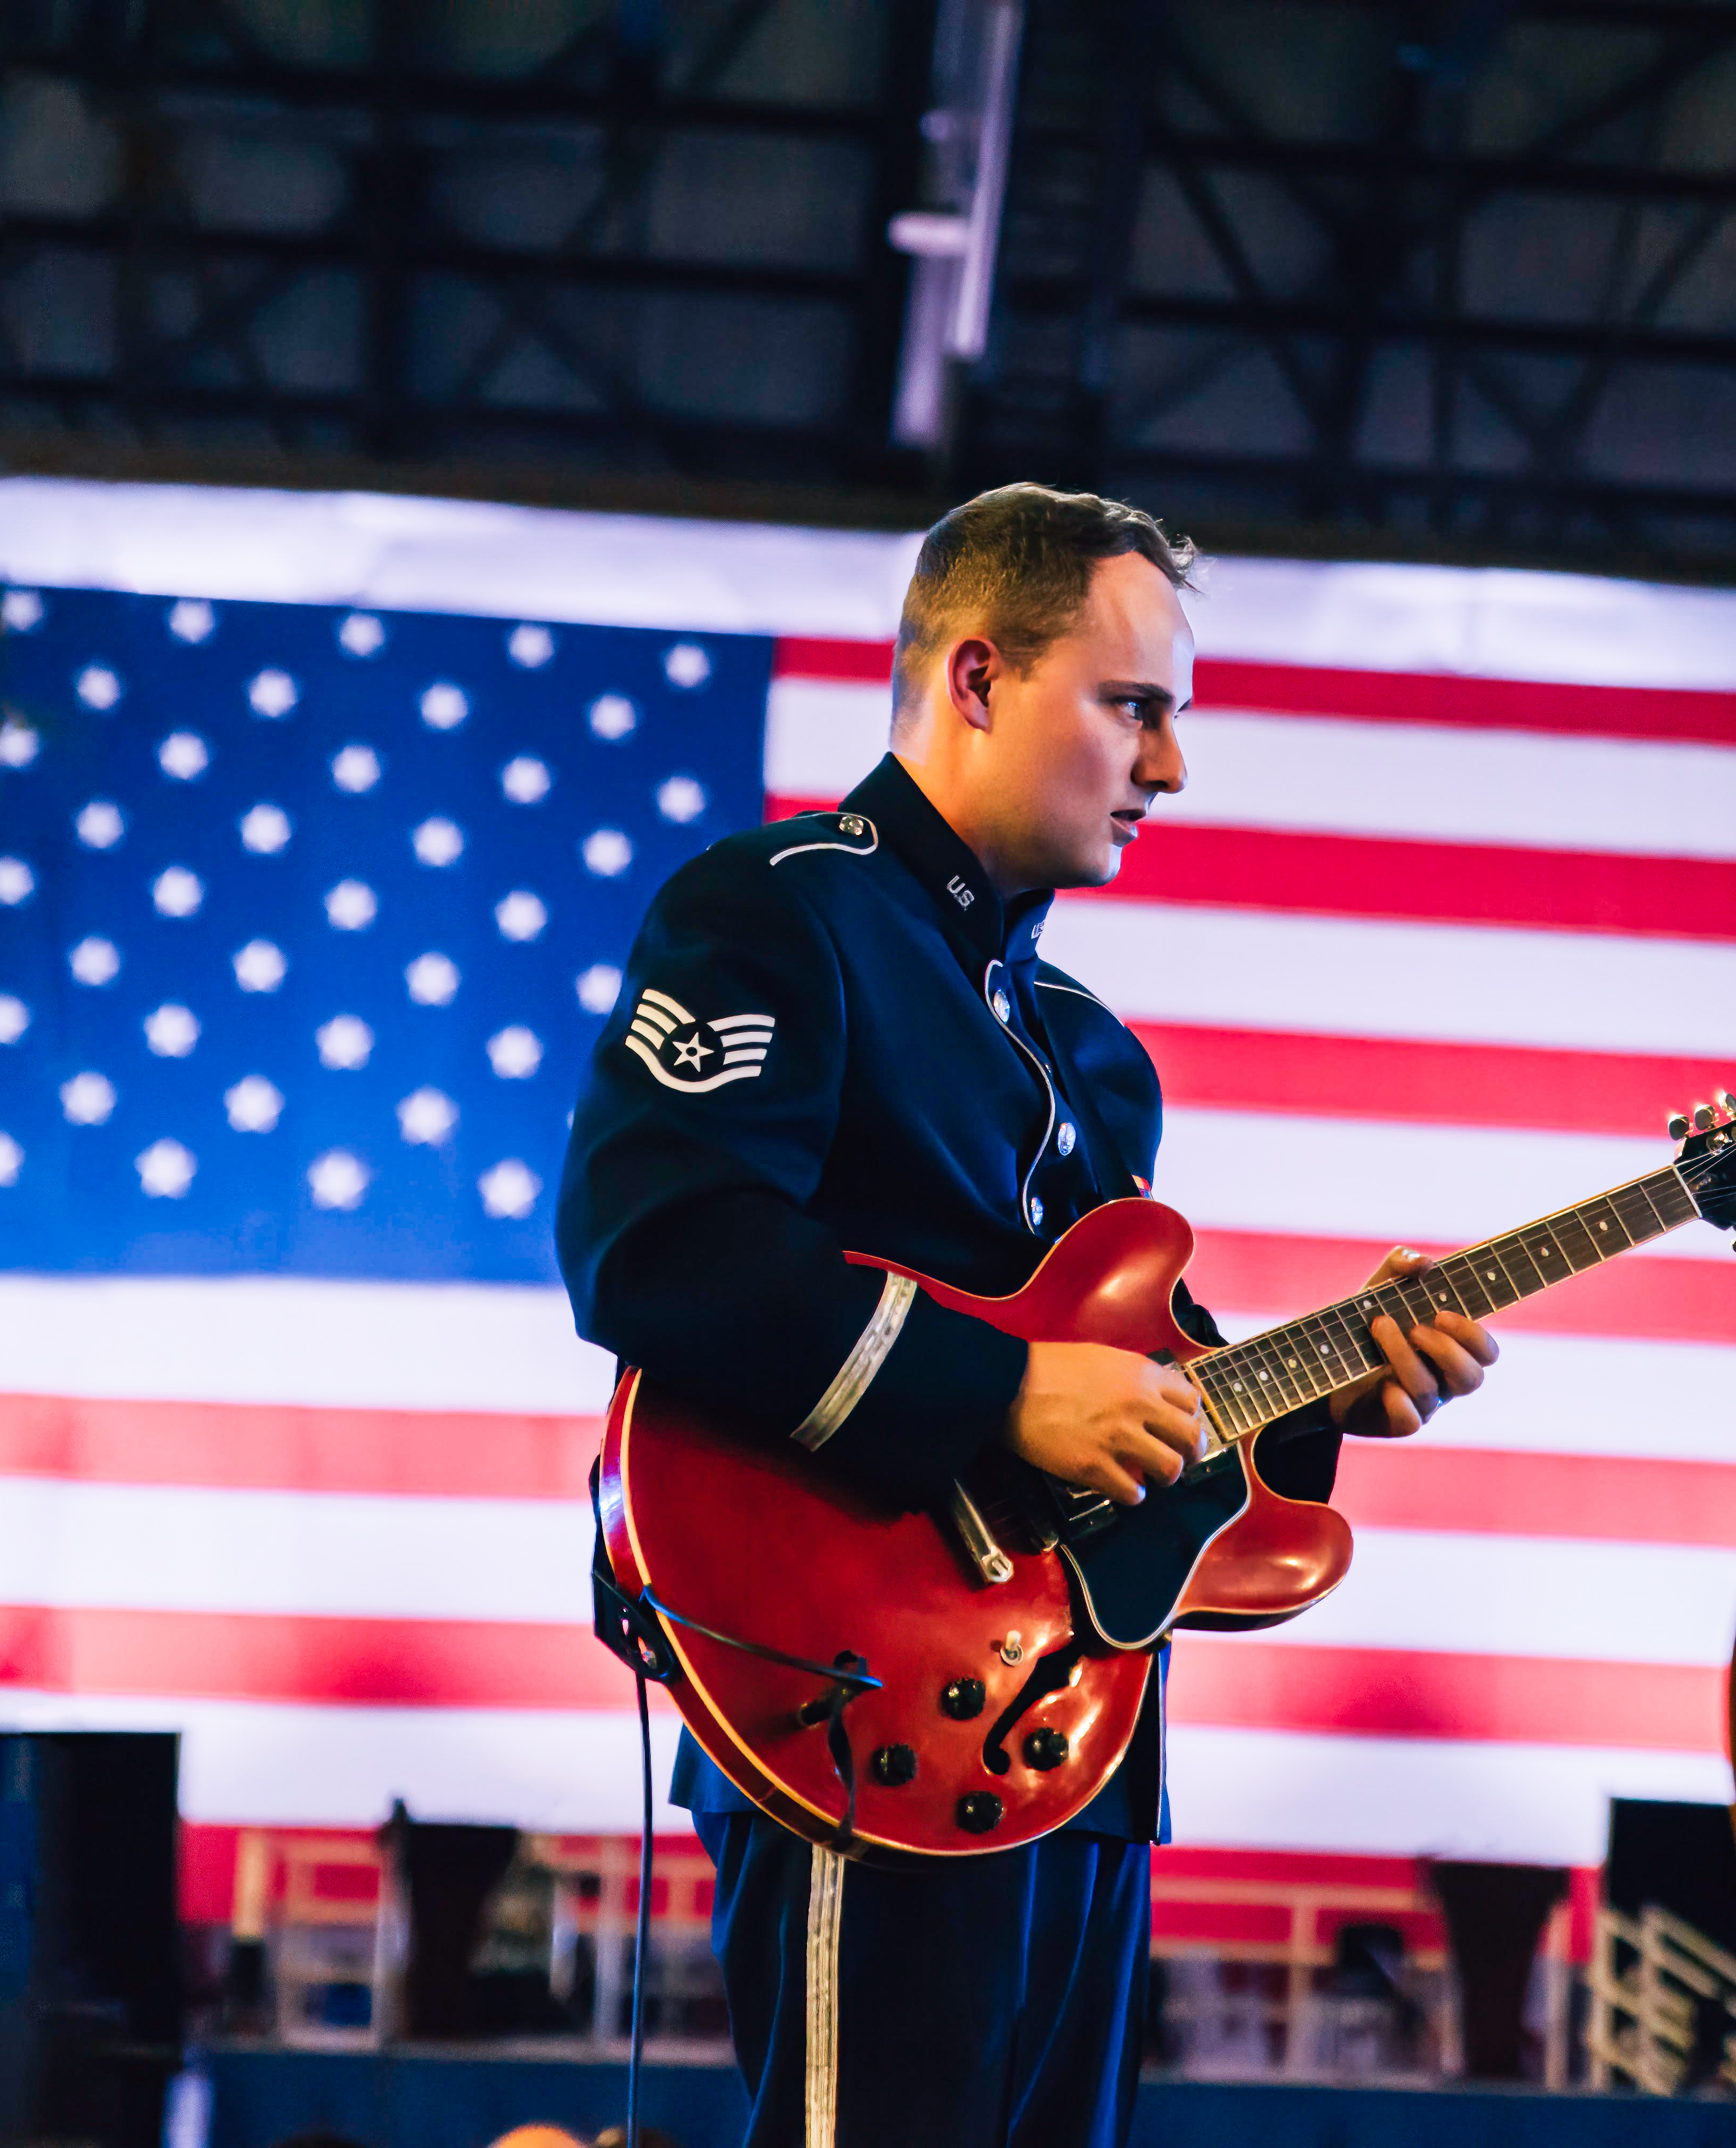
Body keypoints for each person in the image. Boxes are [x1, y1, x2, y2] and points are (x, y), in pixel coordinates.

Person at [555, 483, 1497, 2147]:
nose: (1172, 766)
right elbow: (656, 1240)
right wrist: (995, 1391)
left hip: (1074, 1734)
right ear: (977, 678)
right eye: (1136, 707)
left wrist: (1332, 1383)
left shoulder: (1087, 1045)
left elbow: (1136, 1400)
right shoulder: (784, 910)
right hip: (862, 1721)